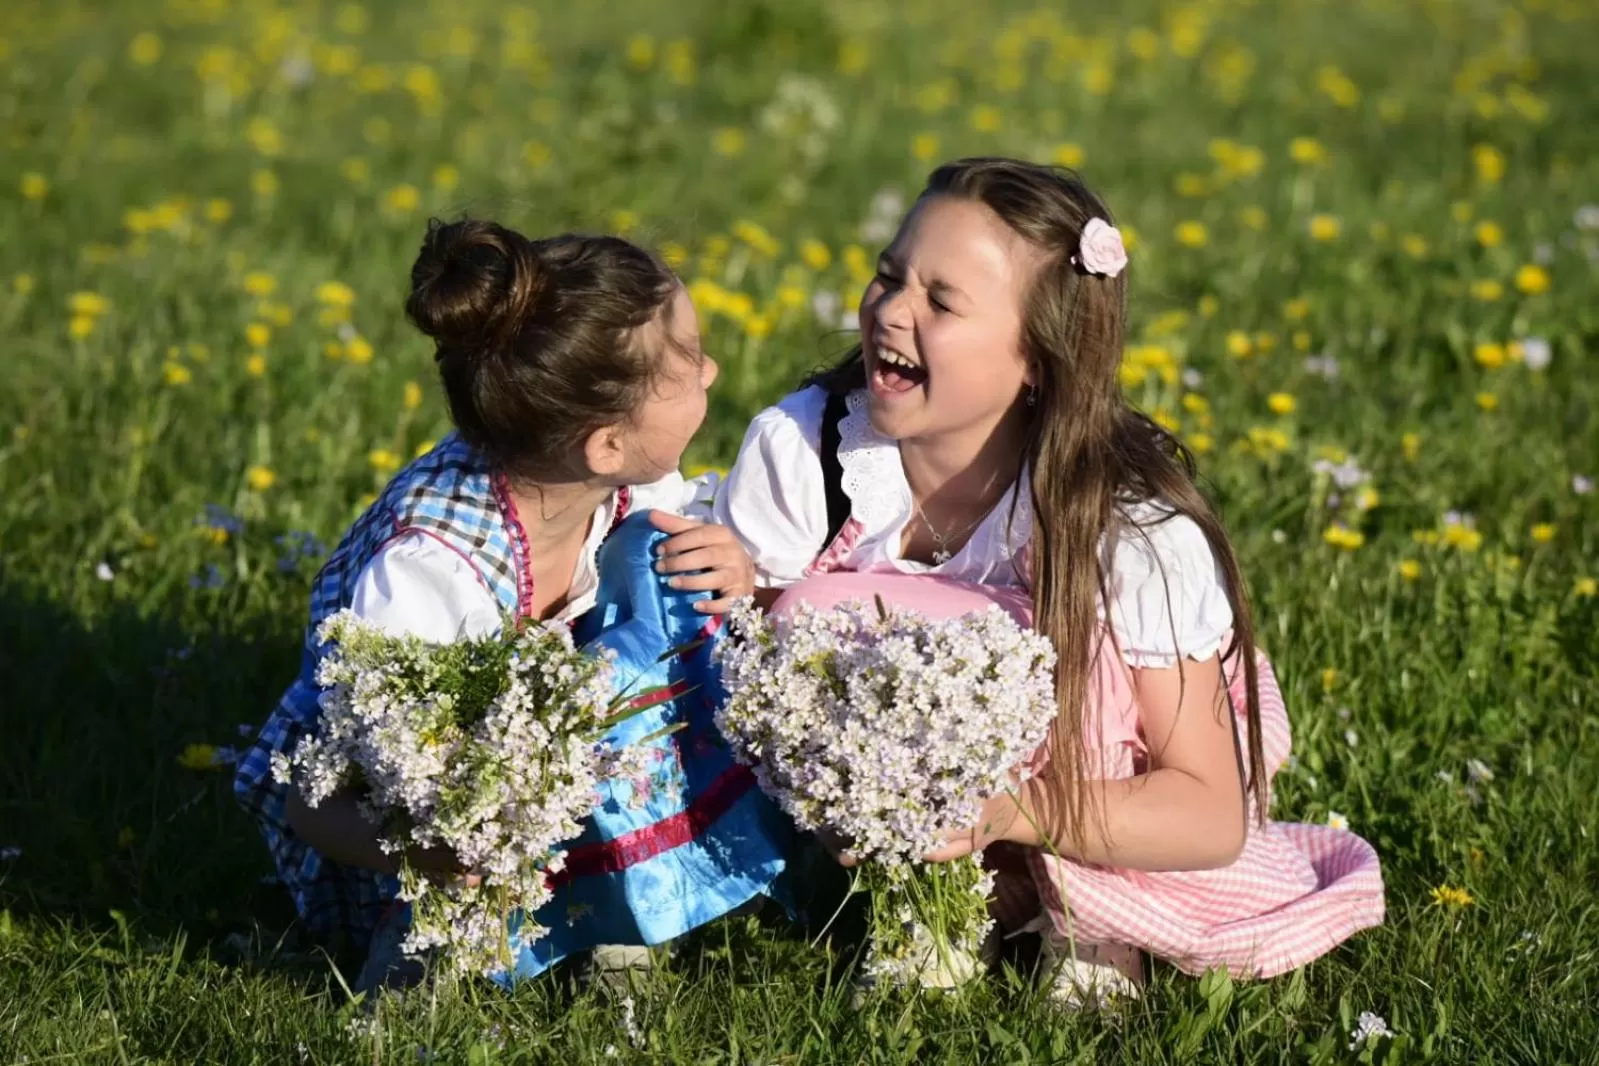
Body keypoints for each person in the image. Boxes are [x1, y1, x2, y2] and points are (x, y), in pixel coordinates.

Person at [716, 158, 1384, 1007]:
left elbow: (1208, 813)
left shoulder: (1126, 530)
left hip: (1084, 793)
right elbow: (752, 667)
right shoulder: (807, 450)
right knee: (806, 615)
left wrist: (1009, 811)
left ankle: (1093, 925)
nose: (889, 310)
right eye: (889, 274)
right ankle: (925, 906)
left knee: (1070, 647)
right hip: (895, 793)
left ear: (1037, 357)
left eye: (940, 302)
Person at [236, 217, 786, 992]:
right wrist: (437, 851)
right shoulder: (429, 574)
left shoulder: (605, 481)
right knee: (446, 838)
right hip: (410, 842)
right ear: (603, 444)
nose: (714, 370)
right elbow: (315, 800)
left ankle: (617, 905)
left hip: (542, 769)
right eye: (691, 358)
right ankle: (414, 958)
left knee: (671, 575)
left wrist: (729, 564)